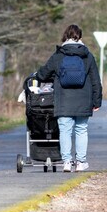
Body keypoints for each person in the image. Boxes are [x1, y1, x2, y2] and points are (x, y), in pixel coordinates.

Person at [36, 24, 102, 173]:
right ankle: (80, 162)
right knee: (81, 130)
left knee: (65, 131)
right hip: (83, 99)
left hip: (63, 99)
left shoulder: (59, 55)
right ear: (80, 37)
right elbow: (95, 80)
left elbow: (43, 74)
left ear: (65, 36)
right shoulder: (88, 55)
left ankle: (66, 162)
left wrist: (38, 74)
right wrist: (97, 100)